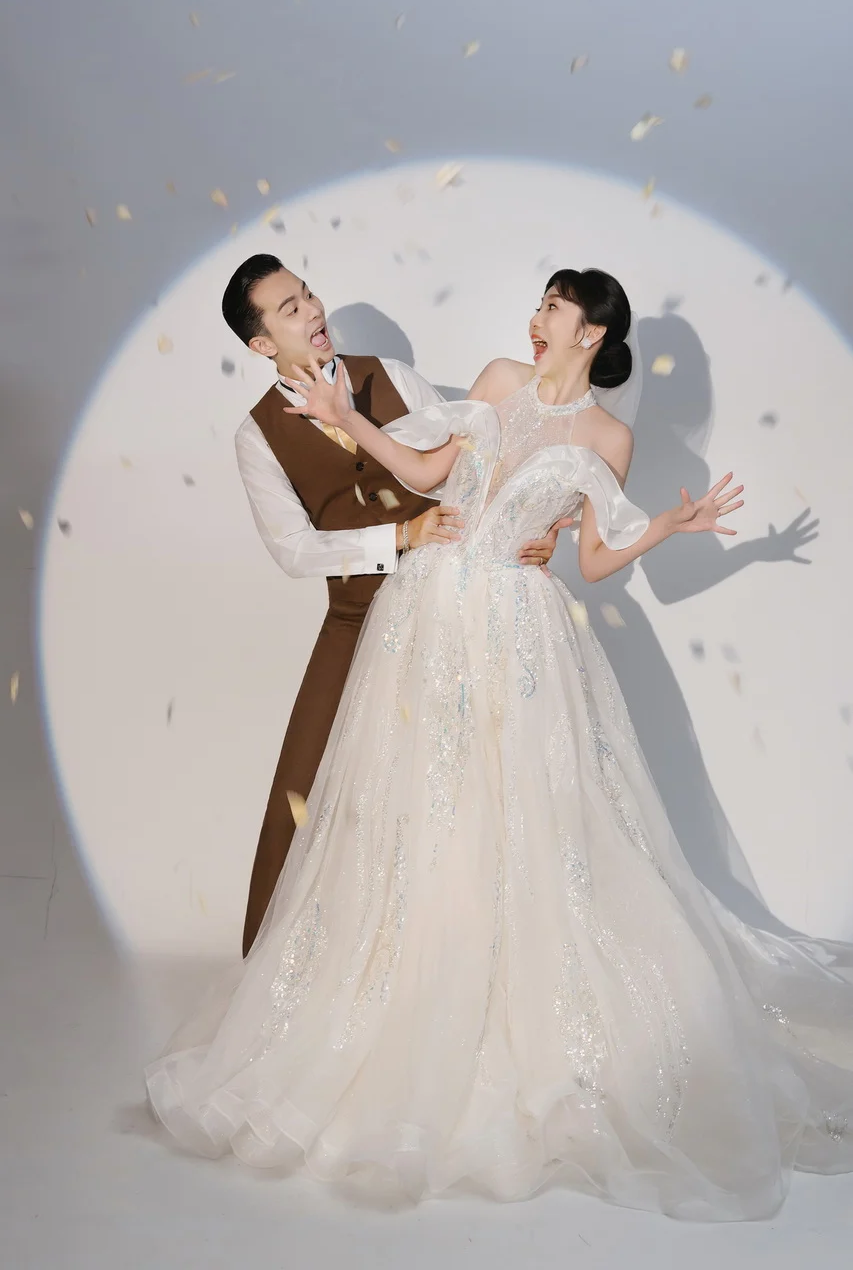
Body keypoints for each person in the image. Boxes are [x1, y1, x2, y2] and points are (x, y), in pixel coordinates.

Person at [146, 268, 853, 1220]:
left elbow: (591, 555)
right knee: (410, 797)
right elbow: (420, 474)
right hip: (428, 605)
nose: (534, 320)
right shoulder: (490, 381)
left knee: (522, 806)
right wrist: (350, 431)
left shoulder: (604, 436)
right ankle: (381, 981)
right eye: (538, 304)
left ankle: (507, 992)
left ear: (591, 333)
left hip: (520, 624)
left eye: (552, 309)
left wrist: (667, 528)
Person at [225, 255, 564, 956]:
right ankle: (277, 960)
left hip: (451, 603)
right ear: (261, 344)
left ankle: (454, 952)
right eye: (290, 309)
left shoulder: (394, 377)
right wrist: (398, 537)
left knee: (463, 777)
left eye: (308, 294)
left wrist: (544, 525)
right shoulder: (257, 436)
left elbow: (477, 460)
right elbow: (293, 548)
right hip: (356, 619)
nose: (312, 311)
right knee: (305, 784)